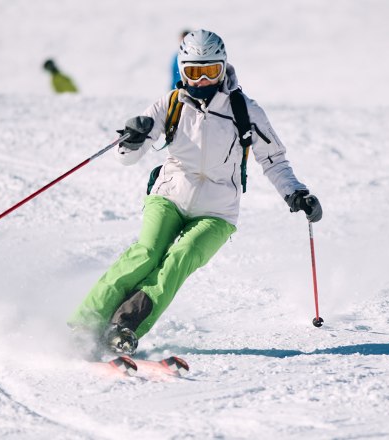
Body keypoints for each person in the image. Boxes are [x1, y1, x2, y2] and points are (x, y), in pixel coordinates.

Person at [68, 30, 322, 357]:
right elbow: (127, 157)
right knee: (146, 253)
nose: (201, 80)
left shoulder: (245, 110)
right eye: (193, 72)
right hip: (170, 196)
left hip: (217, 212)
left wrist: (295, 193)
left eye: (210, 71)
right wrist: (131, 140)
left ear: (223, 68)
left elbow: (273, 159)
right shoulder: (170, 105)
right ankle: (84, 325)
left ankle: (124, 326)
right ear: (182, 70)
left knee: (180, 258)